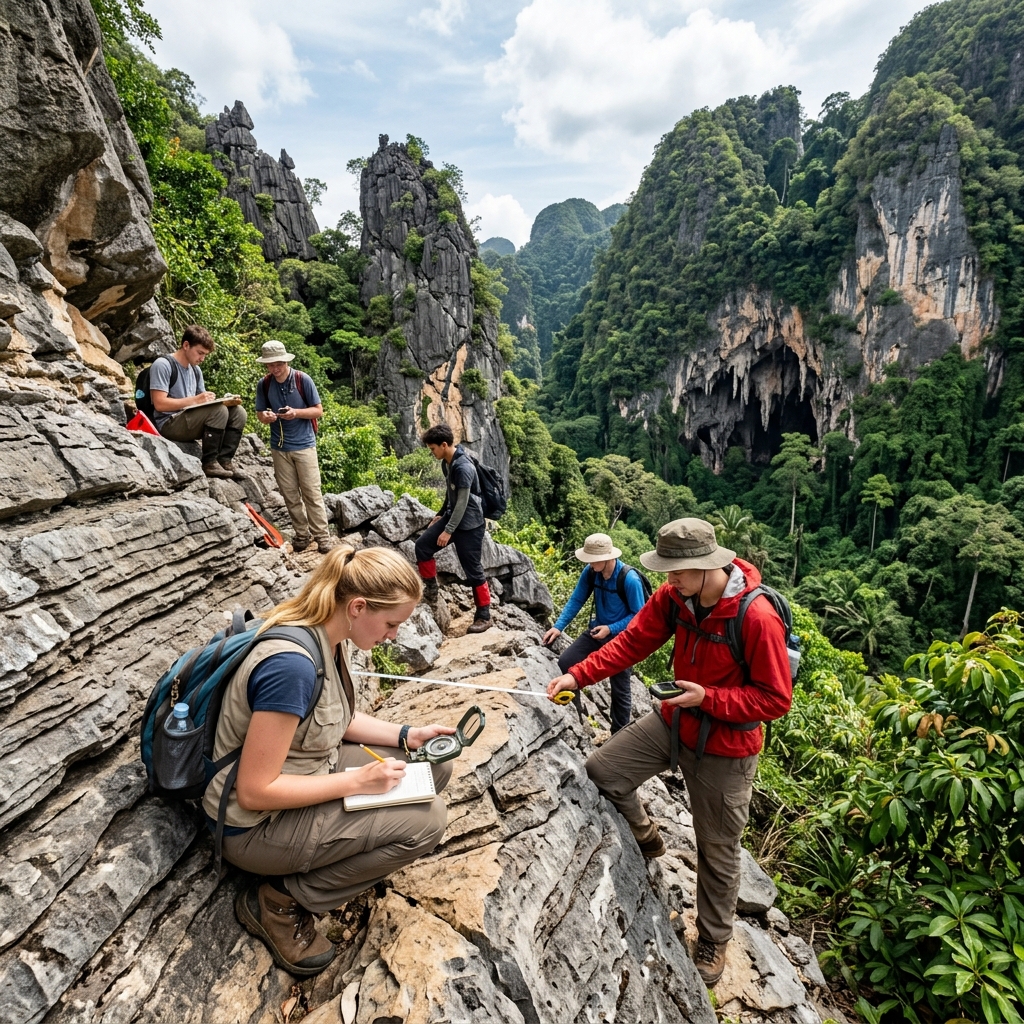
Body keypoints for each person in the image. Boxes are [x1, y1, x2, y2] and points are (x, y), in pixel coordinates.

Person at [545, 518, 792, 987]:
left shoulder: (756, 617)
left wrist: (708, 698)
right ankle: (648, 836)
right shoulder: (675, 597)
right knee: (603, 770)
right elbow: (633, 641)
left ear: (706, 565)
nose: (668, 579)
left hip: (727, 747)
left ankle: (714, 938)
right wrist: (578, 675)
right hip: (675, 721)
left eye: (676, 571)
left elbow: (775, 699)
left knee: (716, 847)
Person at [205, 544, 457, 976]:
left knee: (434, 764)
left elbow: (335, 717)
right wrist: (357, 783)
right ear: (358, 607)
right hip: (251, 827)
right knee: (428, 821)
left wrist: (407, 734)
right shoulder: (292, 668)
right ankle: (280, 901)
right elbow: (254, 791)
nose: (394, 635)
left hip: (307, 770)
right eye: (391, 623)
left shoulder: (329, 635)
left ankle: (343, 850)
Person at [541, 533, 646, 733]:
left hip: (622, 639)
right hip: (597, 631)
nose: (589, 563)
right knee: (566, 662)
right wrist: (558, 627)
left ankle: (618, 736)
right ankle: (575, 713)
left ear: (607, 558)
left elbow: (639, 616)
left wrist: (611, 628)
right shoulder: (591, 572)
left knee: (620, 689)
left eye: (593, 559)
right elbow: (577, 599)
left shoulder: (629, 579)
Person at [254, 340, 336, 554]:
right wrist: (266, 417)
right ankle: (301, 535)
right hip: (279, 447)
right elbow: (260, 413)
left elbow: (318, 410)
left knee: (312, 493)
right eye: (270, 365)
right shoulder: (264, 384)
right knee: (290, 495)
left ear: (286, 361)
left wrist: (296, 413)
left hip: (304, 445)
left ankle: (322, 537)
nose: (275, 368)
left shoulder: (302, 379)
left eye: (278, 364)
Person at [414, 423, 492, 634]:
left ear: (444, 445)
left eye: (433, 449)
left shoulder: (463, 467)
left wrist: (448, 530)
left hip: (470, 525)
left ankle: (484, 616)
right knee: (422, 547)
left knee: (473, 569)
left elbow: (463, 503)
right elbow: (451, 495)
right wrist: (440, 514)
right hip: (453, 518)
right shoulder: (447, 463)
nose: (432, 453)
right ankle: (431, 591)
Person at [151, 324, 247, 480]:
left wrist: (217, 401)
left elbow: (202, 404)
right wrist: (195, 400)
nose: (202, 358)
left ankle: (224, 461)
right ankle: (209, 463)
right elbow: (159, 404)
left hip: (189, 419)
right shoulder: (163, 365)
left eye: (205, 355)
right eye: (200, 353)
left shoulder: (195, 370)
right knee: (218, 411)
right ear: (186, 345)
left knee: (238, 412)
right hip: (168, 423)